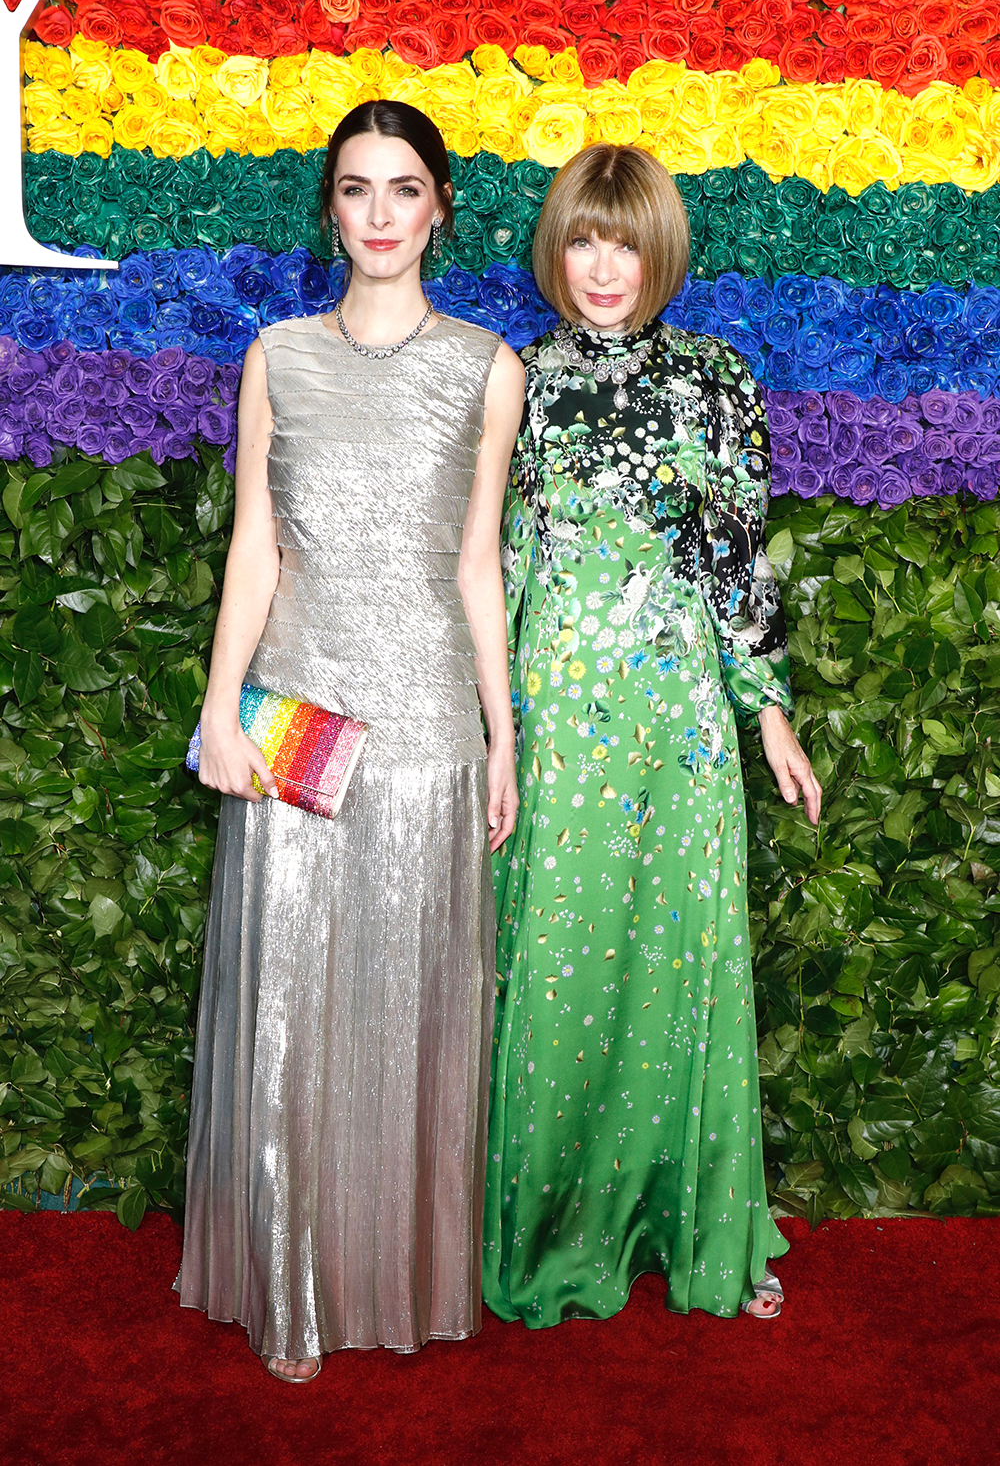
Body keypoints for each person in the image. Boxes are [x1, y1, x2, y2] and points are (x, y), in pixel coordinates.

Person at [175, 100, 523, 1380]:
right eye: (356, 189)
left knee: (406, 1009)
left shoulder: (491, 365)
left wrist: (502, 735)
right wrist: (219, 708)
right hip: (296, 717)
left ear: (440, 207)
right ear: (330, 208)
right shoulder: (277, 353)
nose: (379, 214)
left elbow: (478, 563)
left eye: (404, 189)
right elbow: (255, 546)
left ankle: (396, 1271)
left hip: (430, 721)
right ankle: (293, 1280)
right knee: (290, 1008)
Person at [484, 143, 821, 1330]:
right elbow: (497, 567)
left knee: (679, 961)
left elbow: (735, 557)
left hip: (677, 718)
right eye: (583, 238)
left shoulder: (718, 379)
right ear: (555, 249)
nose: (603, 265)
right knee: (558, 963)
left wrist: (766, 712)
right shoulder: (512, 380)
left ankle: (693, 1221)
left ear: (658, 249)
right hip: (556, 713)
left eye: (623, 240)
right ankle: (543, 1231)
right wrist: (492, 729)